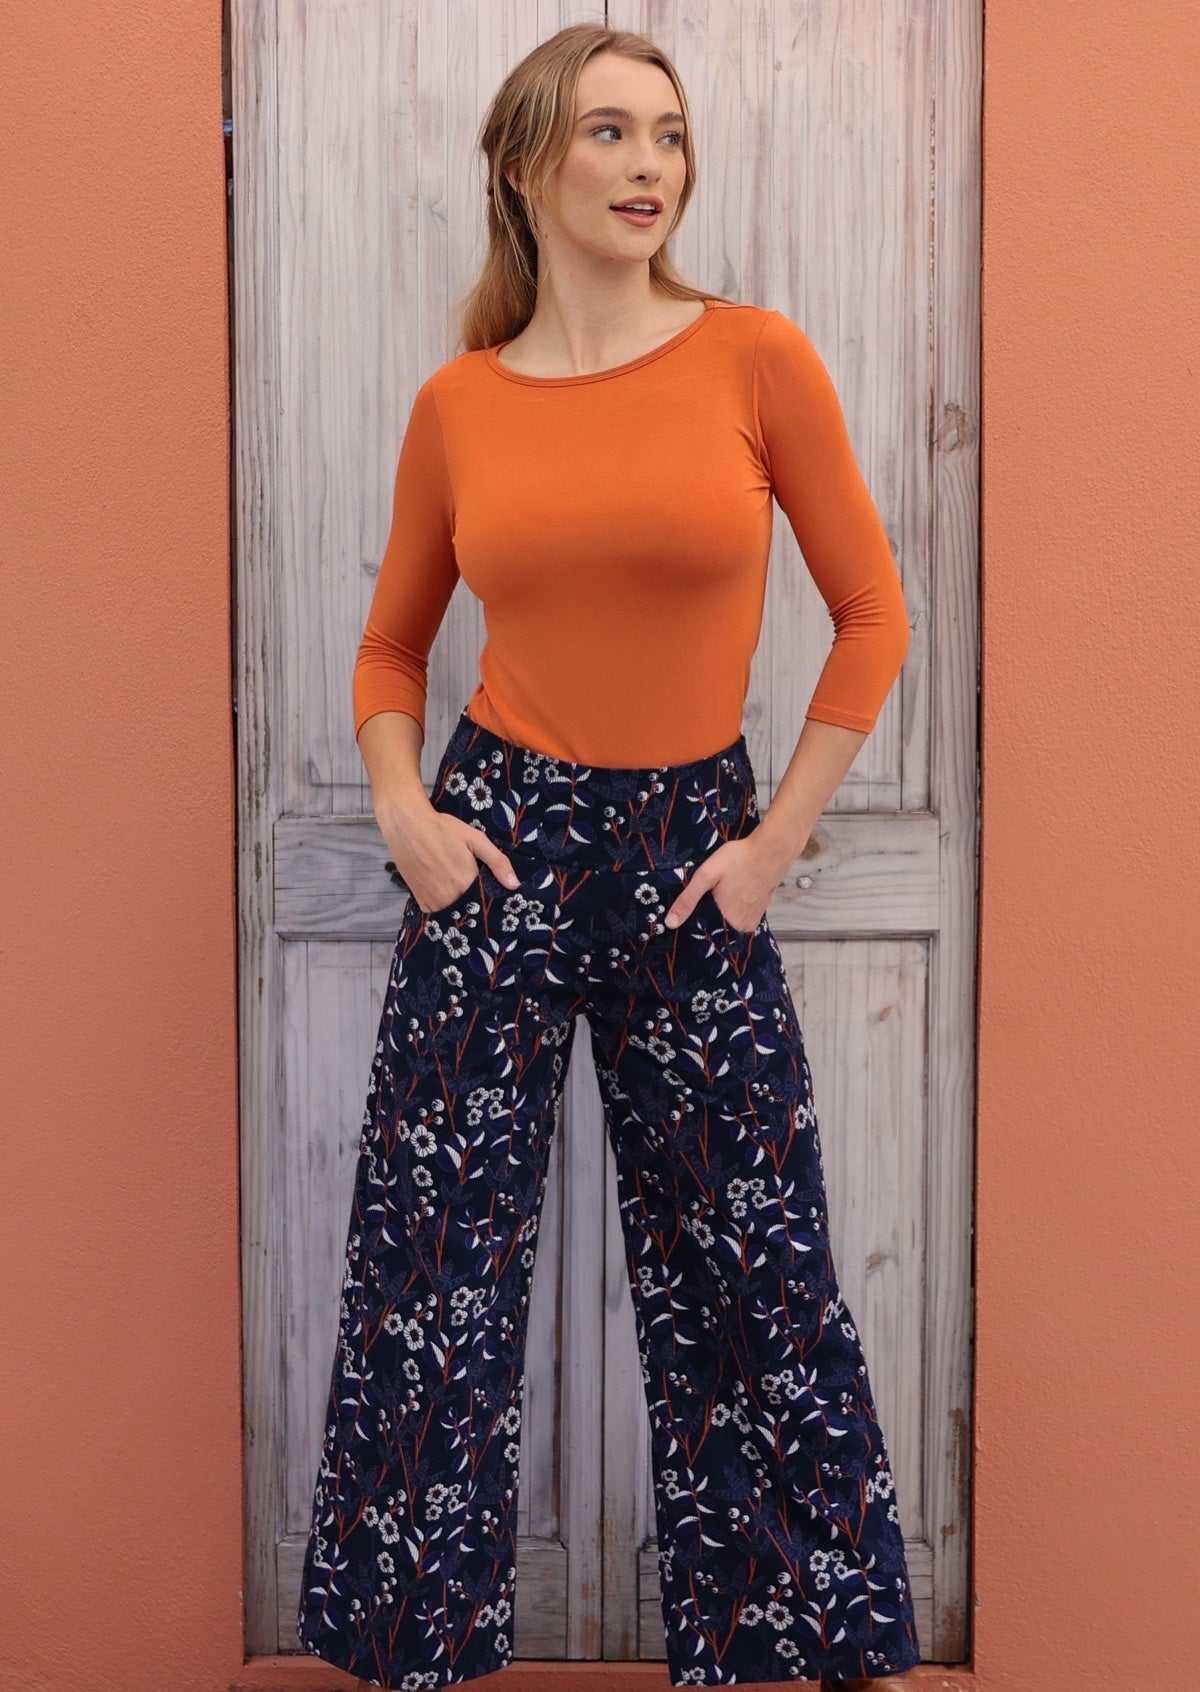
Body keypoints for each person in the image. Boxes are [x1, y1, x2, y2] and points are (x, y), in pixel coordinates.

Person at [296, 23, 919, 1692]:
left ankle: (785, 1654)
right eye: (610, 135)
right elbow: (386, 650)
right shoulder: (461, 404)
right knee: (434, 1277)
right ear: (525, 168)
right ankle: (411, 1649)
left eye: (671, 135)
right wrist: (407, 814)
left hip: (689, 853)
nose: (652, 166)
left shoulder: (754, 358)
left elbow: (873, 615)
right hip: (499, 843)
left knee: (751, 1265)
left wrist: (774, 841)